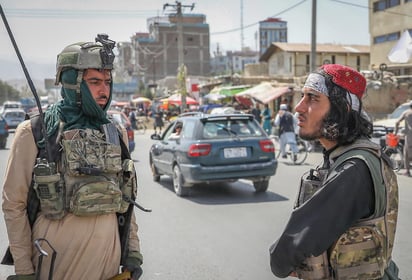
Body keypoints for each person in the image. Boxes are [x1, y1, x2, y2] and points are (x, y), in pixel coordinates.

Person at [2, 35, 143, 280]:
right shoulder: (34, 132)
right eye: (95, 81)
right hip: (55, 264)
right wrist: (24, 268)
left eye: (108, 82)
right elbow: (13, 205)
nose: (104, 90)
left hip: (108, 264)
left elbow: (127, 197)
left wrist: (132, 252)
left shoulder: (114, 131)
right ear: (72, 83)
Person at [269, 64, 400, 279]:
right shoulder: (344, 157)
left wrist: (284, 262)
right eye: (302, 97)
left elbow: (286, 254)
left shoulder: (353, 168)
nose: (299, 108)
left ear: (342, 109)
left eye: (313, 98)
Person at [394, 101, 412, 177]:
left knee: (406, 154)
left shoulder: (407, 112)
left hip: (410, 136)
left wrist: (395, 132)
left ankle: (407, 171)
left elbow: (397, 122)